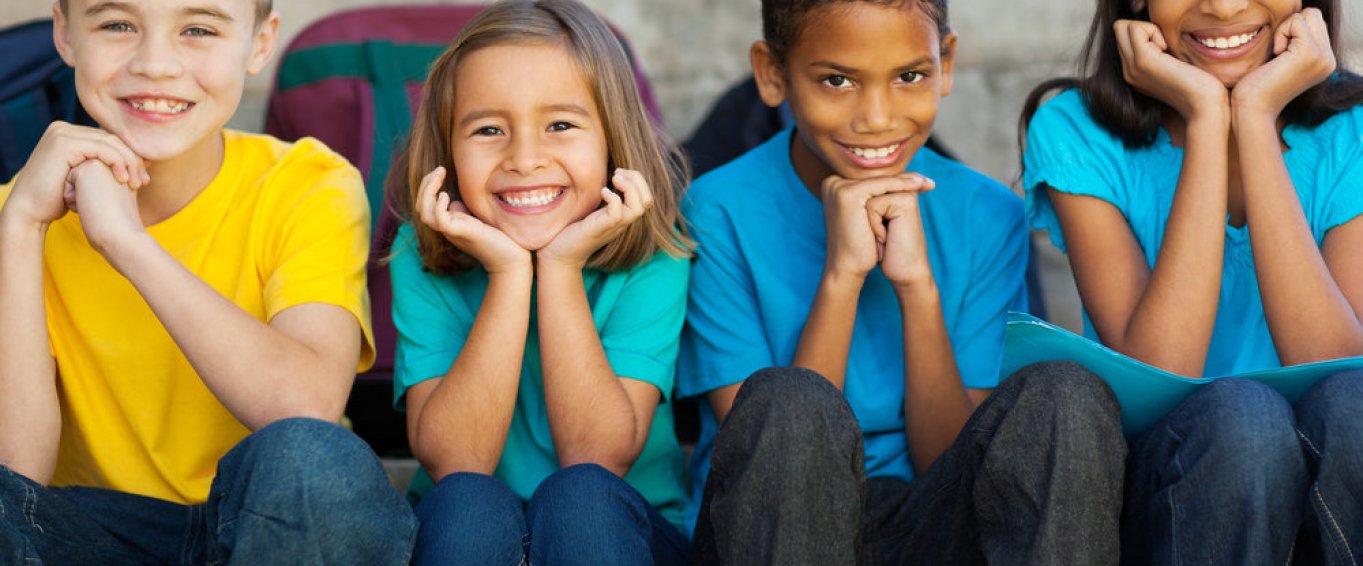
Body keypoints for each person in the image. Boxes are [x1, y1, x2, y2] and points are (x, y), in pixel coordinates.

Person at [678, 1, 1127, 564]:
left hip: (931, 517)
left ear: (947, 63)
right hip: (773, 529)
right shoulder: (718, 210)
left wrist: (917, 288)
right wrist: (843, 275)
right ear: (772, 73)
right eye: (837, 80)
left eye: (910, 76)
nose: (876, 117)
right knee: (787, 401)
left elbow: (948, 457)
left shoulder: (987, 213)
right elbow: (771, 456)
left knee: (1066, 391)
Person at [0, 0, 419, 563]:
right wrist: (22, 226)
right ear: (65, 34)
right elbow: (16, 473)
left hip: (272, 525)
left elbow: (304, 407)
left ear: (260, 44)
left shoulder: (306, 185)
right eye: (117, 24)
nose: (156, 64)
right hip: (92, 531)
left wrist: (126, 243)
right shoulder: (15, 216)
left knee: (313, 460)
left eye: (198, 29)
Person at [1021, 0, 1363, 562]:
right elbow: (1162, 366)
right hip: (1170, 487)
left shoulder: (1351, 129)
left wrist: (1252, 116)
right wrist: (1208, 115)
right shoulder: (1075, 127)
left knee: (1354, 403)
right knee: (1242, 419)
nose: (1224, 6)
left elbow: (1333, 368)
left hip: (1326, 479)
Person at [385, 1, 694, 564]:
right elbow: (455, 462)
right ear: (449, 154)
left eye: (560, 125)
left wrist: (559, 267)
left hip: (618, 533)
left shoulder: (656, 249)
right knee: (467, 502)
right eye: (487, 129)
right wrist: (508, 273)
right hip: (468, 536)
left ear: (612, 139)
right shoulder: (418, 250)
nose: (525, 158)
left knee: (581, 499)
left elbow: (596, 458)